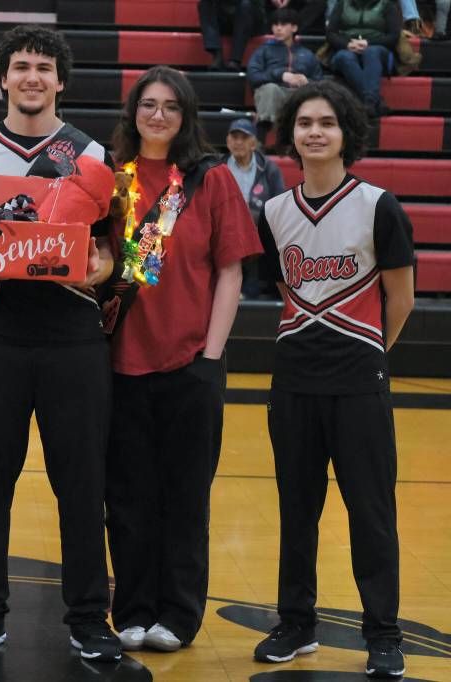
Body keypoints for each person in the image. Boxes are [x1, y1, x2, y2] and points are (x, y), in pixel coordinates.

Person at [0, 25, 120, 662]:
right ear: (3, 78)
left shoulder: (92, 152)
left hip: (73, 335)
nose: (32, 77)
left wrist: (99, 267)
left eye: (44, 67)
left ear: (61, 81)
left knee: (81, 481)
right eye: (21, 66)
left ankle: (90, 618)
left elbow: (111, 249)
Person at [253, 79, 414, 680]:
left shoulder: (378, 205)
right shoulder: (272, 212)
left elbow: (400, 299)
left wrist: (367, 353)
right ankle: (296, 624)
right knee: (297, 510)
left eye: (327, 122)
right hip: (293, 381)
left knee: (370, 512)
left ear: (347, 133)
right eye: (304, 123)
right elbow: (282, 290)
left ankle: (383, 634)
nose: (314, 132)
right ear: (291, 134)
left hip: (358, 382)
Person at [103, 66, 261, 654]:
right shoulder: (111, 179)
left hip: (191, 363)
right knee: (126, 497)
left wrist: (211, 357)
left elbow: (230, 270)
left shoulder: (211, 179)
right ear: (133, 112)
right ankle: (135, 610)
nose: (159, 115)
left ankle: (179, 613)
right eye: (149, 105)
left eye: (171, 106)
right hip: (119, 366)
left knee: (184, 497)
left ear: (186, 115)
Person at [224, 118, 285, 298]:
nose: (238, 142)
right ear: (227, 141)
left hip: (258, 234)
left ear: (254, 143)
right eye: (234, 137)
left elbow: (279, 204)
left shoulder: (269, 169)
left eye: (244, 137)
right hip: (226, 233)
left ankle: (251, 294)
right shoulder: (216, 168)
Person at [247, 8, 324, 140]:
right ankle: (260, 139)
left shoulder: (307, 54)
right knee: (270, 89)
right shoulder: (263, 50)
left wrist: (308, 82)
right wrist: (279, 75)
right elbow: (253, 76)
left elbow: (321, 83)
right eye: (275, 25)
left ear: (294, 28)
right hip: (272, 94)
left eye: (283, 25)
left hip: (297, 94)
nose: (278, 28)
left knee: (309, 94)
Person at [326, 0, 400, 118]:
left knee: (371, 52)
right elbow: (330, 33)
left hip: (377, 48)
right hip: (347, 47)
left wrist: (368, 43)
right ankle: (375, 101)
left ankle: (370, 101)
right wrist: (347, 44)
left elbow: (393, 37)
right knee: (343, 56)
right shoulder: (342, 4)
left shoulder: (386, 4)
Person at [197, 0, 261, 71]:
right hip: (224, 14)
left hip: (246, 15)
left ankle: (235, 60)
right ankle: (217, 55)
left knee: (245, 5)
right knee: (204, 4)